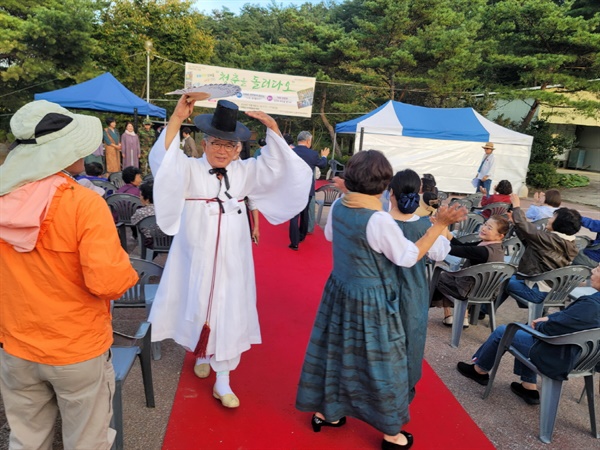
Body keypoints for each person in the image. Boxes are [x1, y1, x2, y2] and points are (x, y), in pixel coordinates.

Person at [296, 150, 467, 450]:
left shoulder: (338, 205)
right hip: (370, 299)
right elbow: (408, 256)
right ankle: (391, 433)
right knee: (384, 364)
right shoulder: (377, 219)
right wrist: (438, 224)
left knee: (337, 352)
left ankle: (329, 413)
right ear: (383, 186)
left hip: (339, 290)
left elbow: (330, 238)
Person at [148, 96, 312, 409]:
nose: (222, 150)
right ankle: (201, 351)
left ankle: (223, 379)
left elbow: (278, 167)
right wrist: (177, 118)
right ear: (204, 142)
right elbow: (164, 161)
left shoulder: (245, 172)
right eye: (215, 143)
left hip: (233, 258)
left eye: (229, 145)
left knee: (230, 308)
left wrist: (273, 128)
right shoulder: (189, 169)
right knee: (197, 302)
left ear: (238, 149)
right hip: (195, 255)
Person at [0, 100, 138, 449]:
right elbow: (107, 282)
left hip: (16, 345)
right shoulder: (83, 203)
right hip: (76, 347)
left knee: (26, 440)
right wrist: (128, 271)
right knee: (86, 442)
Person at [457, 265, 600, 405]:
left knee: (504, 331)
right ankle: (528, 386)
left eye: (598, 270)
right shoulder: (593, 302)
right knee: (525, 329)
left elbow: (551, 329)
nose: (592, 271)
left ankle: (479, 370)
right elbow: (570, 320)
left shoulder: (591, 304)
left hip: (558, 355)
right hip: (585, 360)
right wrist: (549, 318)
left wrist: (540, 324)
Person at [388, 169, 451, 402]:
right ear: (419, 193)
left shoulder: (377, 222)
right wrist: (441, 226)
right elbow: (441, 252)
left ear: (390, 192)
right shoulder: (426, 226)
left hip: (381, 289)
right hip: (412, 290)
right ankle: (404, 390)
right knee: (410, 341)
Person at [492, 193, 580, 313]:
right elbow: (530, 242)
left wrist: (517, 206)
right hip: (553, 291)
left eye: (553, 217)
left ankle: (484, 310)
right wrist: (515, 223)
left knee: (501, 278)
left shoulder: (551, 239)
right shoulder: (569, 242)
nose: (549, 219)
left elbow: (528, 228)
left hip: (537, 292)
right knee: (508, 276)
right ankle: (484, 310)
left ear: (559, 224)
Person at [431, 215, 509, 327]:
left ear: (500, 235)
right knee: (452, 277)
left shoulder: (482, 251)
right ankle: (463, 317)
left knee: (440, 277)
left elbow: (452, 249)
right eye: (485, 224)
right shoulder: (497, 248)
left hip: (467, 291)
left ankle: (448, 315)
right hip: (487, 292)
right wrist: (443, 227)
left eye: (489, 228)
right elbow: (462, 246)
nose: (484, 228)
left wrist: (438, 230)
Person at [288, 131, 329, 250]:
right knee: (305, 214)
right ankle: (302, 235)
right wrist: (324, 156)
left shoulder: (291, 153)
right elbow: (322, 164)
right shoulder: (312, 154)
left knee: (294, 216)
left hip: (294, 188)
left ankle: (294, 242)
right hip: (307, 188)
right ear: (308, 141)